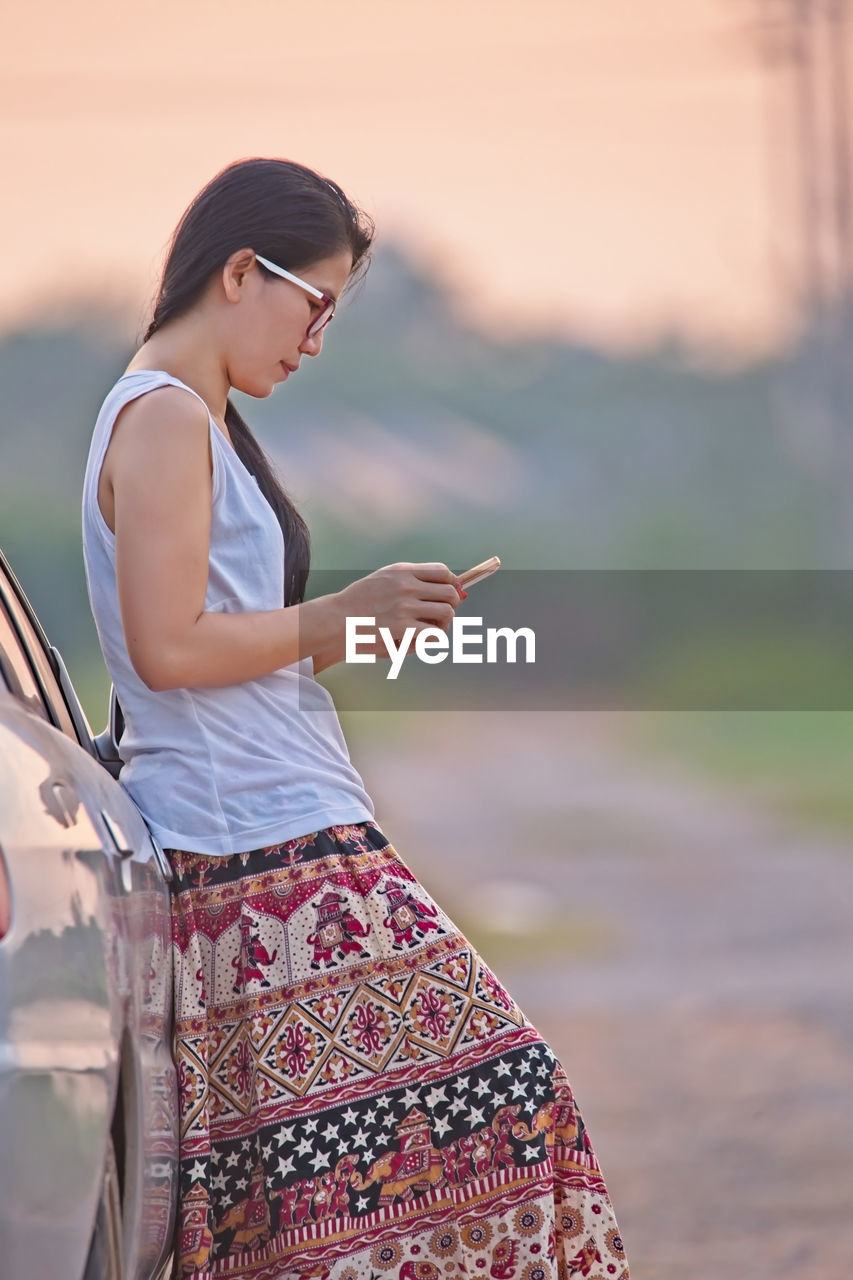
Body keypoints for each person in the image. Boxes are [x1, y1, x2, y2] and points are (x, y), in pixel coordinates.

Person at [81, 157, 629, 1280]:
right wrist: (338, 609)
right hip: (259, 852)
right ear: (241, 270)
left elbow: (222, 638)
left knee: (317, 1207)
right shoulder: (163, 417)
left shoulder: (198, 418)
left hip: (272, 830)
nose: (316, 339)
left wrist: (366, 622)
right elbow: (165, 645)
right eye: (314, 304)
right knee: (512, 1099)